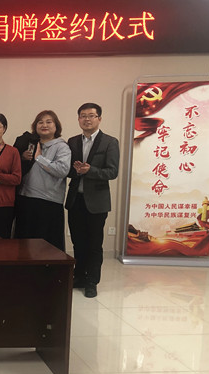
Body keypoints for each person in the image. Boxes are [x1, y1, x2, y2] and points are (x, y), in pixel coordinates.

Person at [66, 103, 120, 298]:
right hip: (75, 200)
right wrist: (75, 170)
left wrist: (91, 170)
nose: (87, 119)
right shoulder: (72, 141)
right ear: (78, 119)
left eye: (91, 116)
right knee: (78, 242)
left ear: (99, 119)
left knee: (94, 244)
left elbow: (112, 172)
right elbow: (69, 170)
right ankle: (79, 276)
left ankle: (92, 281)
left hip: (97, 202)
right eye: (83, 116)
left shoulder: (110, 142)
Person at [15, 110, 71, 251]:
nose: (44, 125)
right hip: (25, 199)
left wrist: (39, 158)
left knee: (46, 250)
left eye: (48, 122)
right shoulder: (31, 143)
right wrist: (22, 158)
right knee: (24, 247)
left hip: (48, 203)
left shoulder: (62, 147)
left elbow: (62, 170)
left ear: (56, 126)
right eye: (40, 122)